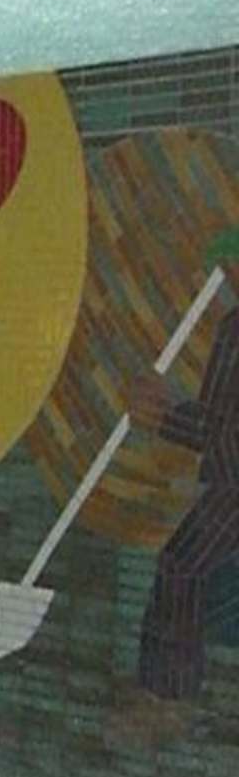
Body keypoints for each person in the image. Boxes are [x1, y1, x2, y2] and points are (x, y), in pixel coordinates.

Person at [118, 297, 239, 734]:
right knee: (178, 564)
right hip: (229, 481)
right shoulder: (232, 329)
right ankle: (163, 694)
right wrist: (166, 412)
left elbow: (225, 436)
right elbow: (216, 424)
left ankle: (168, 699)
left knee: (182, 564)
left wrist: (166, 415)